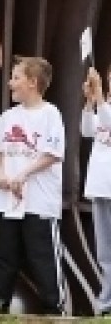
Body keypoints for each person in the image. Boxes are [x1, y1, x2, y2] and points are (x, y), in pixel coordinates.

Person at [0, 57, 65, 315]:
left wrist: (22, 174)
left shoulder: (51, 114)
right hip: (10, 204)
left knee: (43, 261)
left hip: (39, 203)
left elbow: (52, 154)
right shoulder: (8, 116)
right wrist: (1, 174)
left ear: (33, 82)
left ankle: (55, 312)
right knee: (4, 259)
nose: (11, 83)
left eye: (16, 77)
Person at [81, 68, 111, 315]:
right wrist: (90, 103)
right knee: (104, 251)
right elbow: (87, 131)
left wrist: (100, 99)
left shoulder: (107, 109)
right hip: (101, 186)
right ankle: (106, 303)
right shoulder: (105, 106)